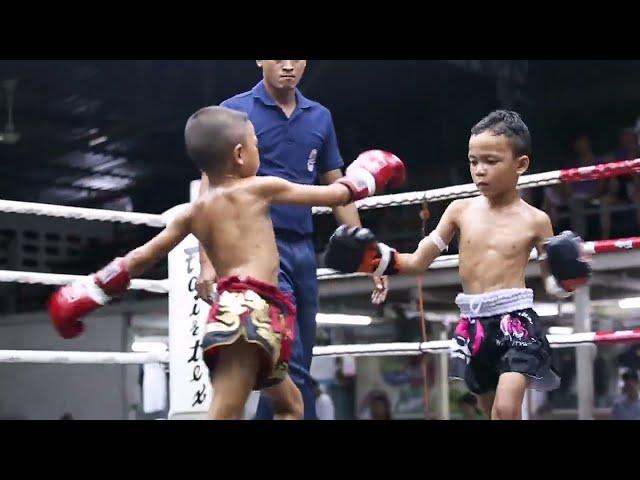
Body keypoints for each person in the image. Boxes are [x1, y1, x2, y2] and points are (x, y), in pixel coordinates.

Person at [47, 106, 405, 420]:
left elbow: (141, 258)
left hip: (256, 310)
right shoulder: (258, 188)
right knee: (225, 412)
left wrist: (88, 293)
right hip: (247, 312)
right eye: (255, 145)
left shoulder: (193, 212)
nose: (258, 151)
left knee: (291, 406)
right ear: (239, 154)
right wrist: (369, 171)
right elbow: (336, 194)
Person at [325, 110, 593, 420]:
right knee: (489, 410)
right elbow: (417, 261)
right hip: (475, 322)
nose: (479, 171)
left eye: (491, 162)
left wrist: (568, 280)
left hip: (516, 321)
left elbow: (552, 285)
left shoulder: (536, 220)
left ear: (521, 164)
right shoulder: (459, 211)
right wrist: (374, 259)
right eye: (473, 161)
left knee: (505, 411)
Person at [196, 60, 389, 420]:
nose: (288, 65)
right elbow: (211, 191)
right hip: (255, 249)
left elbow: (337, 186)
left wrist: (370, 254)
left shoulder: (320, 117)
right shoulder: (234, 111)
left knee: (291, 360)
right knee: (290, 360)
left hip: (303, 249)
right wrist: (207, 261)